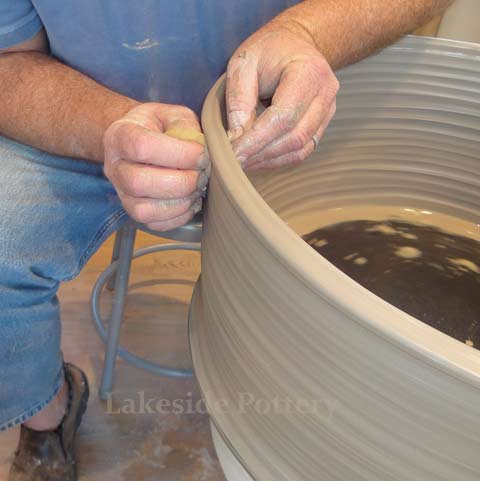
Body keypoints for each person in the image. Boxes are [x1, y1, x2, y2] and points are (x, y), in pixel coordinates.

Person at [0, 0, 452, 479]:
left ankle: (322, 422)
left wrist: (308, 31)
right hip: (89, 103)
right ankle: (50, 415)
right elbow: (9, 63)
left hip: (282, 106)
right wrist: (112, 127)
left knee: (361, 287)